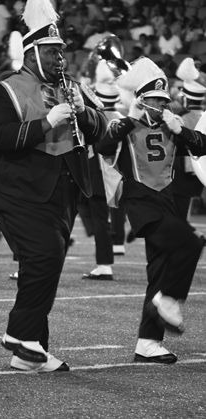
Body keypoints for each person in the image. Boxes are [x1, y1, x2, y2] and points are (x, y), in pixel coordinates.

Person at [0, 0, 107, 372]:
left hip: (62, 190)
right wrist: (47, 122)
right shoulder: (7, 87)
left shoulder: (69, 86)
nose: (61, 59)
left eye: (61, 52)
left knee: (41, 263)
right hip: (18, 189)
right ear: (32, 54)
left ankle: (31, 352)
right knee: (45, 256)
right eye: (53, 52)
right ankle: (19, 333)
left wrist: (83, 114)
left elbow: (101, 129)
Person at [96, 57, 206, 364]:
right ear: (142, 100)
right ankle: (168, 299)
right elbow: (103, 146)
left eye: (163, 99)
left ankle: (148, 342)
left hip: (166, 202)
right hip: (142, 203)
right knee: (191, 243)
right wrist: (130, 120)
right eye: (154, 100)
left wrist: (180, 130)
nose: (160, 104)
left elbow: (203, 146)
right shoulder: (124, 125)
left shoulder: (173, 125)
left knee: (159, 268)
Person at [81, 59, 122, 280]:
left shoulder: (97, 119)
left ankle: (105, 265)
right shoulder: (121, 118)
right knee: (97, 217)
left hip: (97, 173)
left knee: (98, 220)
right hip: (116, 174)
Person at [172, 57, 206, 225]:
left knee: (179, 215)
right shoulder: (204, 117)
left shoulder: (181, 117)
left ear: (187, 98)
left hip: (183, 172)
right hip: (202, 170)